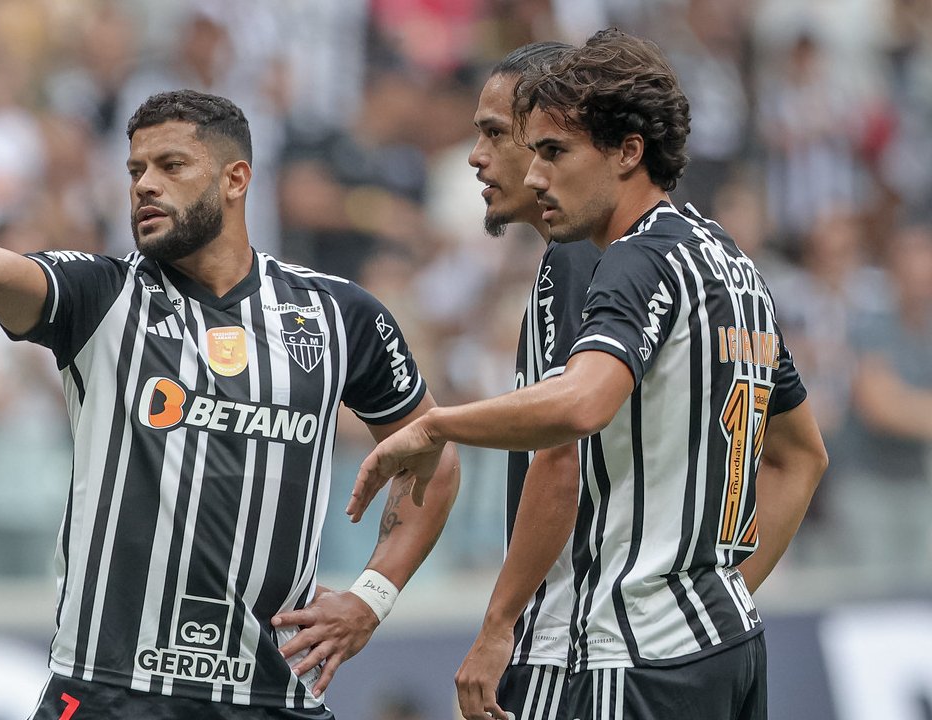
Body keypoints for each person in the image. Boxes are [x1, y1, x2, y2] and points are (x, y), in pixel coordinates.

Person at [0, 89, 460, 720]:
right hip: (109, 690)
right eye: (134, 171)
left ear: (236, 179)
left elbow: (432, 456)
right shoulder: (103, 297)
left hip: (269, 695)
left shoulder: (339, 316)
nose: (145, 186)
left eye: (170, 166)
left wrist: (373, 595)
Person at [348, 29, 827, 719]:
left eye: (553, 151)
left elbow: (574, 418)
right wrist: (713, 601)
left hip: (619, 654)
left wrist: (438, 425)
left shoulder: (615, 259)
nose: (534, 173)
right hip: (721, 644)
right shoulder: (728, 260)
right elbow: (802, 455)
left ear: (627, 151)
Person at [453, 41, 602, 720]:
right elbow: (798, 454)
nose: (476, 157)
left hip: (576, 642)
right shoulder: (694, 256)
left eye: (493, 134)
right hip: (676, 644)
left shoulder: (577, 259)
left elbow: (560, 454)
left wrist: (498, 626)